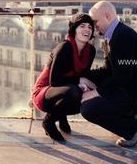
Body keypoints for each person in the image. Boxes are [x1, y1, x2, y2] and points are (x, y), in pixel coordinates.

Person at [80, 1, 137, 147]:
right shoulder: (113, 35)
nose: (93, 26)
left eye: (95, 21)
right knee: (91, 100)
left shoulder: (122, 37)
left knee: (89, 109)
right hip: (133, 88)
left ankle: (134, 129)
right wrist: (85, 77)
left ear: (107, 16)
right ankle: (130, 123)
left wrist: (94, 92)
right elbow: (109, 70)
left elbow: (122, 77)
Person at [32, 13, 96, 141]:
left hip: (65, 91)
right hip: (44, 92)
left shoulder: (91, 50)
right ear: (74, 29)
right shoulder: (64, 47)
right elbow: (54, 81)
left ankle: (61, 116)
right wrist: (80, 82)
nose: (87, 30)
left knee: (88, 97)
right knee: (75, 91)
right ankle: (48, 122)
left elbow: (84, 75)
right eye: (82, 26)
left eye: (90, 27)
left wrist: (88, 84)